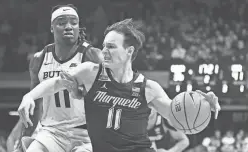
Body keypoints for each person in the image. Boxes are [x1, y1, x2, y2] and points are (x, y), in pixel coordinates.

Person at [17, 19, 221, 152]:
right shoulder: (91, 72)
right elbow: (55, 83)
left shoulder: (148, 88)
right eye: (104, 45)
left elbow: (178, 119)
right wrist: (29, 97)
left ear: (129, 51)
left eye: (111, 47)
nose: (104, 51)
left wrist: (202, 105)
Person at [7, 4, 102, 152]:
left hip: (85, 133)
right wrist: (23, 137)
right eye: (62, 22)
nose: (69, 26)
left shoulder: (92, 55)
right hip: (51, 132)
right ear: (52, 28)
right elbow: (36, 104)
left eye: (73, 22)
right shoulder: (39, 59)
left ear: (79, 27)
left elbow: (107, 95)